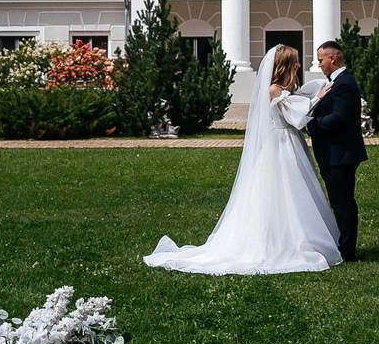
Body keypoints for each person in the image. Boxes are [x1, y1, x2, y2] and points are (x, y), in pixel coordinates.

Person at [144, 44, 344, 274]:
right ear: (285, 65)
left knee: (296, 190)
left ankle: (300, 234)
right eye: (295, 61)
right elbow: (296, 117)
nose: (299, 65)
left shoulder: (283, 89)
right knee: (284, 190)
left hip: (289, 142)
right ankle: (284, 241)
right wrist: (317, 99)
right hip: (281, 145)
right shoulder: (274, 90)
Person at [304, 40, 366, 261]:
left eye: (321, 59)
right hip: (334, 153)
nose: (319, 64)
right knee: (339, 201)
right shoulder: (334, 82)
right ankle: (343, 245)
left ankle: (347, 250)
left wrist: (311, 124)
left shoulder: (344, 84)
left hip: (341, 153)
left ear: (332, 58)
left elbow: (340, 117)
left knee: (343, 203)